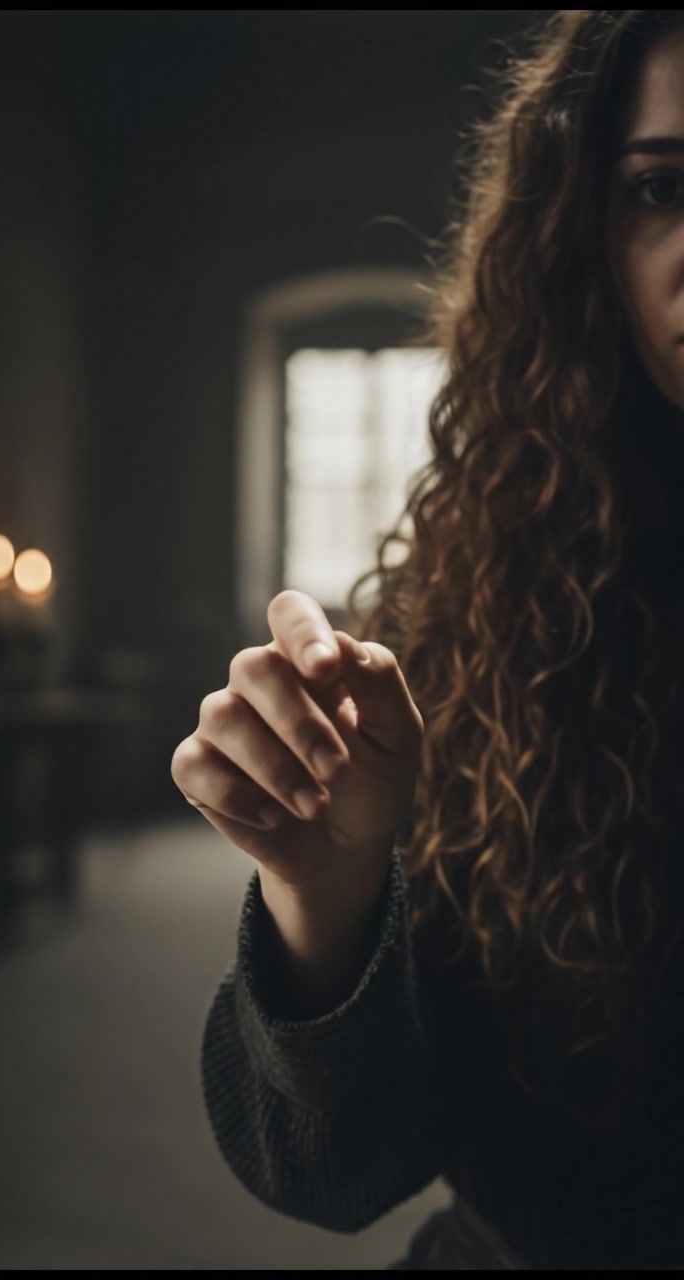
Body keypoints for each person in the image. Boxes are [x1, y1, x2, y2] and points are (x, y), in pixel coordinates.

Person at [171, 10, 684, 1270]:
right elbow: (336, 1171)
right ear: (584, 233)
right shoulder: (487, 619)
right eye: (663, 189)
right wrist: (328, 894)